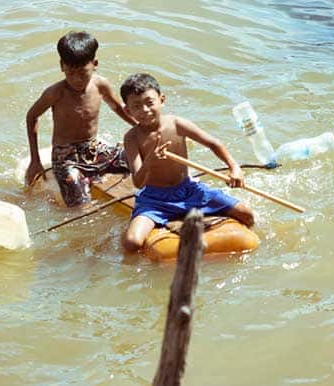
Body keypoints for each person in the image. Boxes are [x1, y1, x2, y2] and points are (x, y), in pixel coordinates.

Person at [119, 72, 256, 253]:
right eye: (136, 106)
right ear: (128, 111)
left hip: (189, 191)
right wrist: (150, 161)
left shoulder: (177, 124)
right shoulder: (132, 138)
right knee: (131, 243)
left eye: (149, 102)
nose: (144, 110)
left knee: (247, 215)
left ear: (162, 100)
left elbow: (213, 143)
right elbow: (138, 182)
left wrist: (234, 167)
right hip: (155, 199)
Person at [24, 31, 135, 207]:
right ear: (62, 66)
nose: (76, 79)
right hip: (65, 156)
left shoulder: (100, 85)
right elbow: (32, 116)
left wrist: (140, 127)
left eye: (83, 73)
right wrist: (35, 160)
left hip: (93, 148)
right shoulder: (55, 93)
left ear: (95, 64)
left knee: (136, 159)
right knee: (80, 204)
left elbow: (118, 108)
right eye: (70, 72)